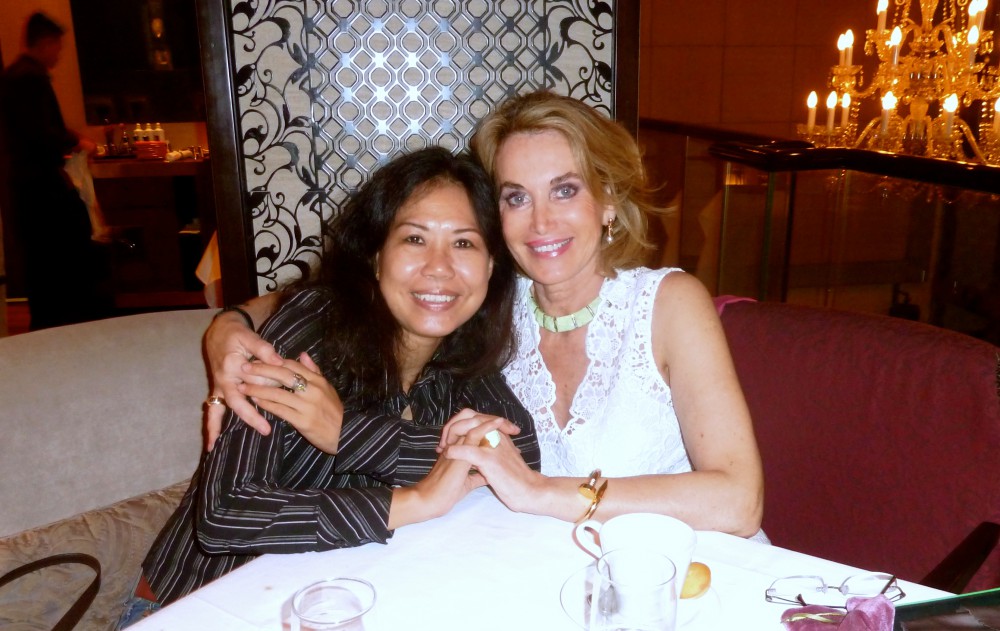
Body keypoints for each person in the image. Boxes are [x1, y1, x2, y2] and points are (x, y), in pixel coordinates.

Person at [202, 90, 763, 539]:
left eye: (565, 190)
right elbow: (323, 296)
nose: (540, 222)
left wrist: (539, 492)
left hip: (685, 563)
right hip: (544, 570)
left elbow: (740, 502)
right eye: (516, 197)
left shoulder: (668, 302)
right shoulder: (486, 306)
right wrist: (229, 327)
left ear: (609, 199)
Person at [119, 147, 540, 626]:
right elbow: (226, 512)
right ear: (376, 256)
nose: (439, 267)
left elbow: (521, 456)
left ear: (490, 265)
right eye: (414, 239)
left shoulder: (462, 351)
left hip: (338, 603)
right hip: (196, 608)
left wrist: (345, 432)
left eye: (464, 243)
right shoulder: (313, 328)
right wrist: (416, 501)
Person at [0, 12, 111, 329]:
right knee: (62, 249)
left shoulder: (15, 76)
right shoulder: (30, 80)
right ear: (46, 43)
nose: (59, 54)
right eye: (57, 47)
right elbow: (41, 133)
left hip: (25, 184)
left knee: (40, 258)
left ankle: (51, 319)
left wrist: (70, 138)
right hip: (39, 185)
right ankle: (66, 318)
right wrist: (76, 142)